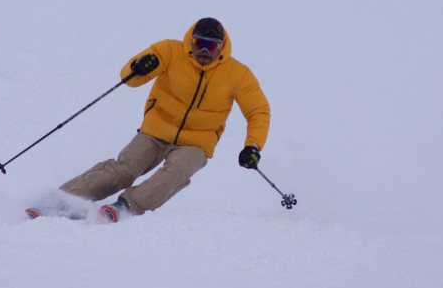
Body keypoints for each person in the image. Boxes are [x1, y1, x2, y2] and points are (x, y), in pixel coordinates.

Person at [27, 17, 270, 223]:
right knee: (124, 169)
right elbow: (129, 78)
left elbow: (258, 111)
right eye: (199, 44)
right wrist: (139, 67)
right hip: (156, 130)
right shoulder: (170, 51)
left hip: (197, 142)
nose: (204, 51)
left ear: (222, 48)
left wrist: (253, 146)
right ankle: (61, 200)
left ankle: (126, 207)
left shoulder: (238, 74)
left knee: (178, 171)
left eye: (211, 46)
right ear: (191, 41)